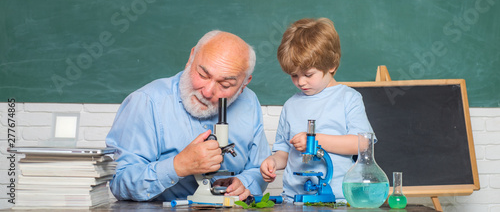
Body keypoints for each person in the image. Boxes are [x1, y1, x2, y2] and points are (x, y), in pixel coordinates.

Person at [106, 30, 271, 202]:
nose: (207, 92)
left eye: (225, 84)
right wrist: (178, 166)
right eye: (203, 75)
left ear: (244, 83)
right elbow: (119, 182)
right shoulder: (147, 102)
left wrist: (242, 183)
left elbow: (259, 168)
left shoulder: (249, 102)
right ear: (191, 57)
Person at [259, 18, 374, 202]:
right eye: (294, 75)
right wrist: (272, 162)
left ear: (331, 65)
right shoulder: (291, 105)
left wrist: (315, 140)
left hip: (337, 199)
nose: (301, 82)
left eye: (308, 74)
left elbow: (362, 143)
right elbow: (283, 152)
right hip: (293, 199)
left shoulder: (348, 98)